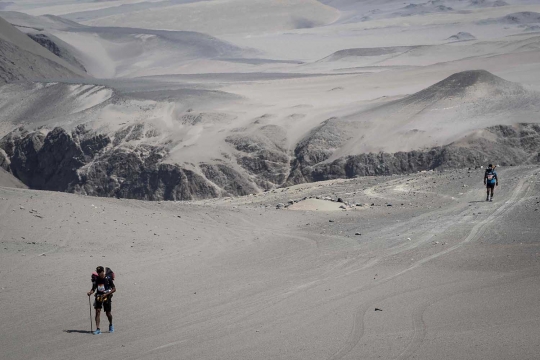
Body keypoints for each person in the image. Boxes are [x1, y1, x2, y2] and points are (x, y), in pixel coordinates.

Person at [87, 266, 116, 335]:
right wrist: (90, 292)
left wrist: (106, 294)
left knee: (108, 313)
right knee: (97, 311)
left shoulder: (108, 279)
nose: (99, 273)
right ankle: (98, 329)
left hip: (107, 297)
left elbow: (114, 289)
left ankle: (111, 324)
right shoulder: (96, 280)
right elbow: (93, 289)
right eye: (98, 272)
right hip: (99, 297)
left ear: (103, 271)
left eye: (100, 272)